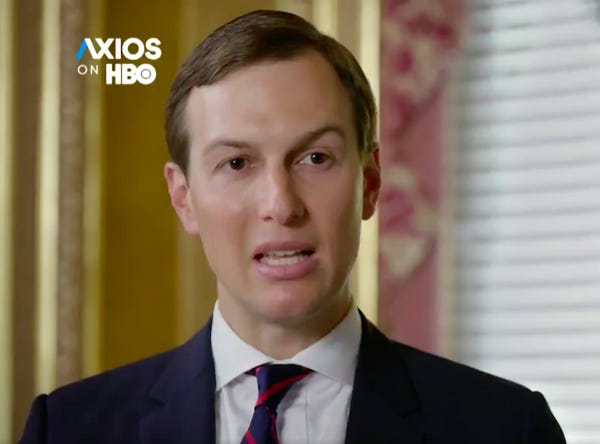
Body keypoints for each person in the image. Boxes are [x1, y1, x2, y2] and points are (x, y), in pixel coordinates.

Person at [20, 9, 565, 444]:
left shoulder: (506, 428)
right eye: (237, 163)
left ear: (370, 182)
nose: (281, 205)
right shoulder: (67, 429)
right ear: (183, 198)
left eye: (315, 159)